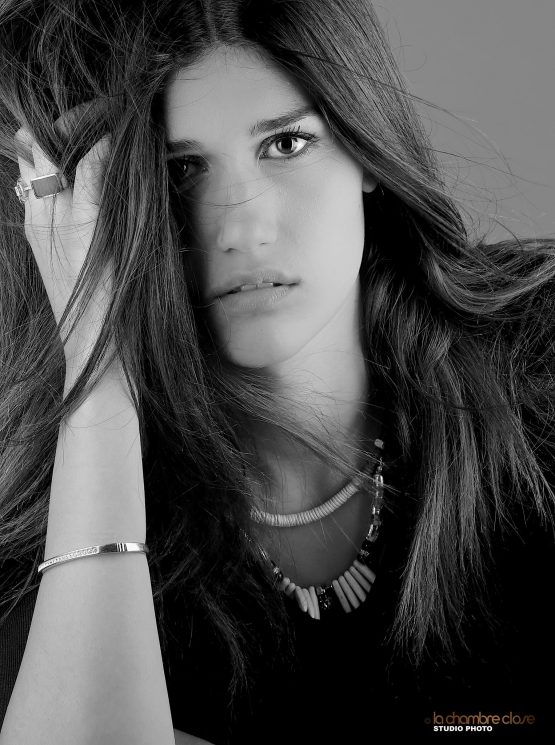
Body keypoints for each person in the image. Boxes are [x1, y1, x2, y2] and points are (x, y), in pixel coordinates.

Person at [0, 1, 553, 743]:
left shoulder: (536, 362)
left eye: (287, 144)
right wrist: (96, 371)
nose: (243, 226)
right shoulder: (59, 523)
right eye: (180, 171)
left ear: (365, 149)